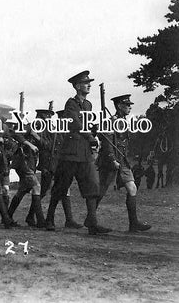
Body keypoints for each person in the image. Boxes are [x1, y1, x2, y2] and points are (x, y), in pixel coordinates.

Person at [44, 70, 111, 235]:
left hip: (85, 153)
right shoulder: (71, 104)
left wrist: (95, 130)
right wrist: (90, 135)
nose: (89, 85)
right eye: (85, 83)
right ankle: (49, 219)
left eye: (89, 83)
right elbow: (75, 124)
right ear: (77, 86)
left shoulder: (88, 105)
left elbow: (86, 124)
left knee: (92, 186)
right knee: (61, 187)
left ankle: (92, 223)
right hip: (70, 153)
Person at [97, 94, 151, 232]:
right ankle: (91, 220)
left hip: (123, 161)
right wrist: (112, 159)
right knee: (101, 191)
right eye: (127, 105)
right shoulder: (111, 121)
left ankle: (133, 224)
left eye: (130, 105)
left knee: (132, 188)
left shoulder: (124, 122)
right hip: (111, 161)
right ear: (120, 106)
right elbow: (107, 143)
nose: (130, 107)